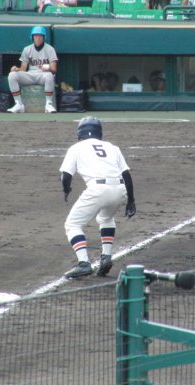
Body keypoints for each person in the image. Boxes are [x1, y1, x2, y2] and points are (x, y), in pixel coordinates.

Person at [59, 117, 136, 278]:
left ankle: (83, 263)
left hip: (98, 189)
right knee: (106, 218)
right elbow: (126, 174)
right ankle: (106, 257)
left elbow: (65, 176)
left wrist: (66, 190)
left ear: (79, 132)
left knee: (72, 224)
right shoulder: (112, 147)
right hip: (120, 188)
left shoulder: (76, 148)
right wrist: (131, 200)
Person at [7, 26, 58, 114]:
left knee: (50, 75)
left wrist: (47, 67)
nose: (38, 38)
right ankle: (18, 104)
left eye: (40, 36)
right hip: (30, 75)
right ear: (32, 37)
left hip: (43, 75)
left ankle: (49, 104)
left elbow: (54, 69)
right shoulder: (27, 49)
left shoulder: (50, 49)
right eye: (36, 36)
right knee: (12, 75)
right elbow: (23, 69)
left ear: (44, 37)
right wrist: (16, 69)